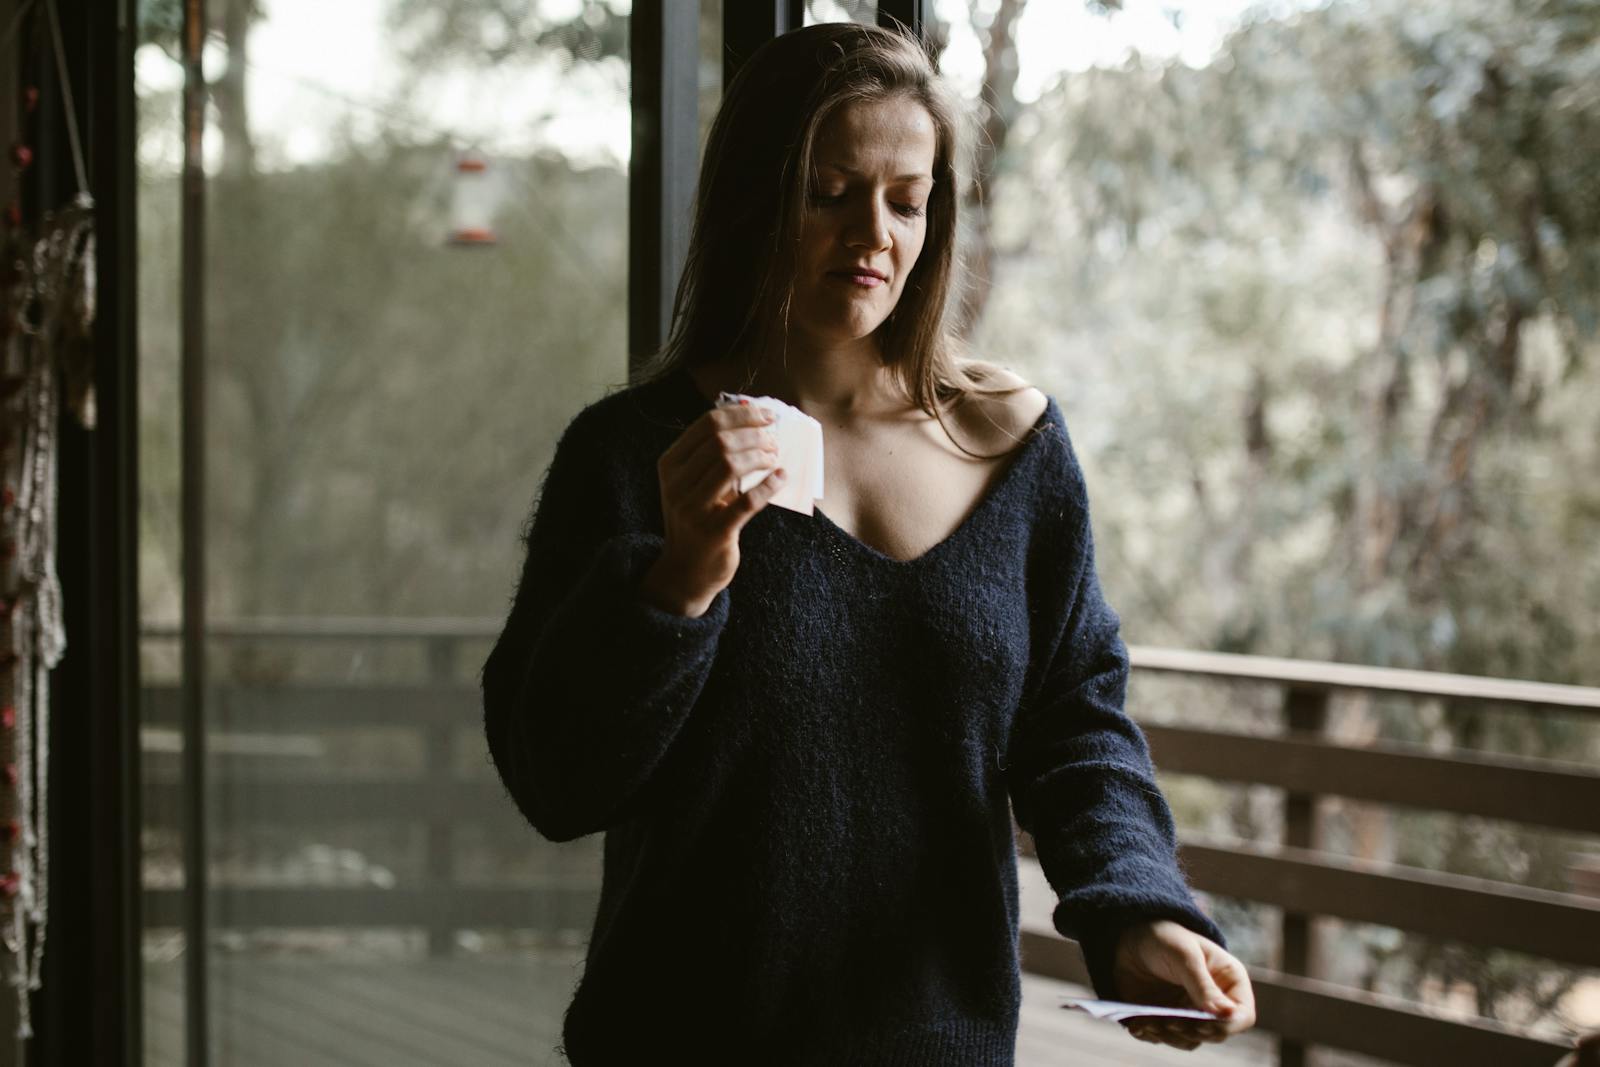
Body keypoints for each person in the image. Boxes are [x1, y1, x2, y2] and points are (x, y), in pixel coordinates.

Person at [481, 20, 1256, 1064]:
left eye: (906, 198)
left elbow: (1074, 724)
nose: (873, 237)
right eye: (829, 193)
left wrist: (1139, 914)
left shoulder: (1013, 446)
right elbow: (555, 780)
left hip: (942, 1045)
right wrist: (677, 582)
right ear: (757, 201)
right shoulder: (635, 456)